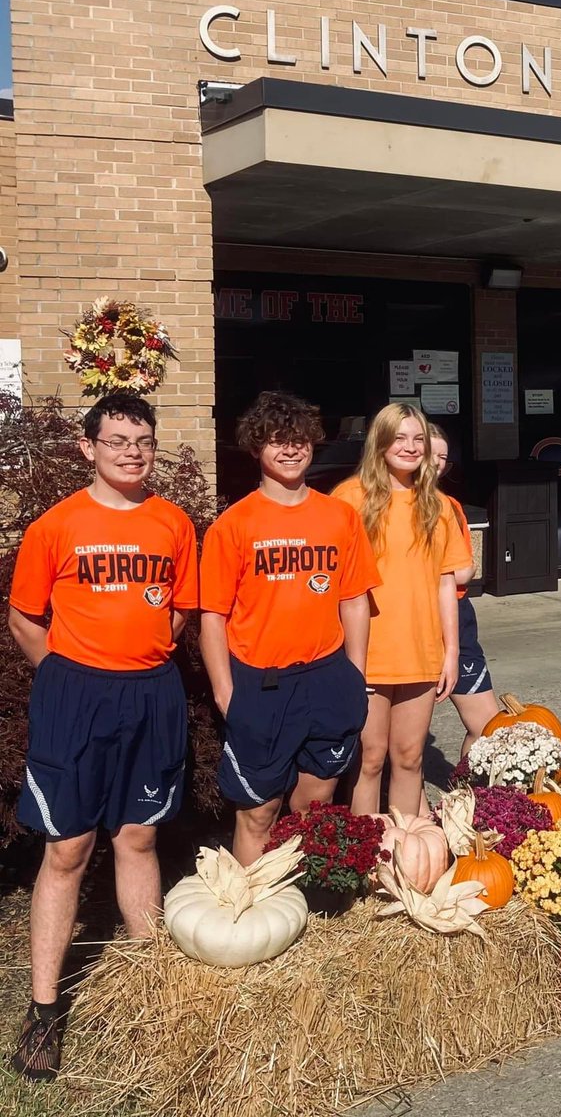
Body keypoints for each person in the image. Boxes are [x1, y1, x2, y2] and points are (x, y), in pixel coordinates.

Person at [7, 394, 197, 1080]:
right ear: (88, 448)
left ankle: (151, 989)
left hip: (151, 694)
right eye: (116, 441)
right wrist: (70, 676)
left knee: (138, 837)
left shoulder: (173, 523)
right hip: (75, 697)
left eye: (142, 441)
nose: (131, 453)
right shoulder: (55, 526)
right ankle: (43, 1012)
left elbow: (179, 611)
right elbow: (25, 618)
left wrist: (135, 661)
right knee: (67, 848)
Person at [200, 392, 379, 866]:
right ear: (256, 447)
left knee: (315, 804)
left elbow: (353, 600)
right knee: (258, 812)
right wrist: (225, 693)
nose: (291, 449)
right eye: (277, 440)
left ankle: (300, 893)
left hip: (326, 677)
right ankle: (251, 903)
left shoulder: (340, 516)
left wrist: (355, 675)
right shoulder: (233, 525)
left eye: (299, 439)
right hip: (260, 682)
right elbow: (212, 617)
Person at [332, 405, 471, 816]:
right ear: (380, 441)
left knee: (410, 758)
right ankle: (368, 847)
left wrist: (451, 652)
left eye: (418, 439)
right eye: (399, 438)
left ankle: (406, 848)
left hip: (420, 652)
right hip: (367, 653)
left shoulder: (438, 505)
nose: (410, 447)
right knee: (370, 758)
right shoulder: (348, 499)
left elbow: (446, 581)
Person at [427, 424, 500, 758]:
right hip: (407, 622)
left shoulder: (450, 507)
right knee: (398, 742)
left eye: (444, 458)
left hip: (456, 616)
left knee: (487, 726)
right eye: (431, 454)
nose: (437, 463)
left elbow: (466, 570)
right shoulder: (379, 505)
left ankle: (469, 787)